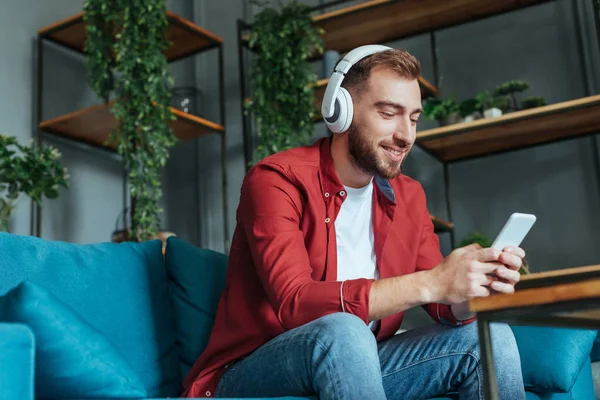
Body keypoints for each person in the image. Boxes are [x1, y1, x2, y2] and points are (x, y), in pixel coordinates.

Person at [182, 45, 526, 400]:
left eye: (413, 118)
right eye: (389, 113)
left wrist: (470, 290)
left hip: (357, 358)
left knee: (490, 339)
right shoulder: (276, 179)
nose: (406, 135)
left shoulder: (408, 195)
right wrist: (431, 282)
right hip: (253, 370)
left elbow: (442, 304)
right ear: (340, 110)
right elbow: (294, 303)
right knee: (346, 331)